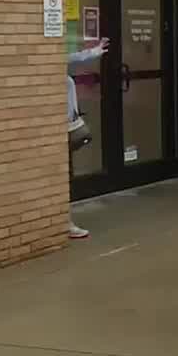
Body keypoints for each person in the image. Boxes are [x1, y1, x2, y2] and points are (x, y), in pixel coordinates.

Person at [65, 36, 109, 239]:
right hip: (60, 128)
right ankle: (64, 221)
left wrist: (94, 51)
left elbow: (72, 57)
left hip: (66, 127)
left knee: (66, 174)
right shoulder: (63, 81)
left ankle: (65, 221)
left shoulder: (64, 78)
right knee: (64, 175)